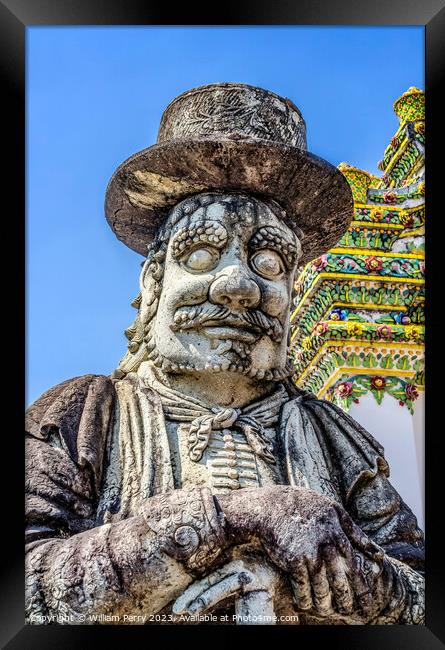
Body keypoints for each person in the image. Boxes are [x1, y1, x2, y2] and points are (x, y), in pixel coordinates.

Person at [26, 83, 424, 625]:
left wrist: (329, 568)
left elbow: (419, 593)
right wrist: (236, 518)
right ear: (152, 285)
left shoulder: (331, 435)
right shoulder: (86, 414)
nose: (237, 285)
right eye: (202, 255)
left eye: (269, 263)